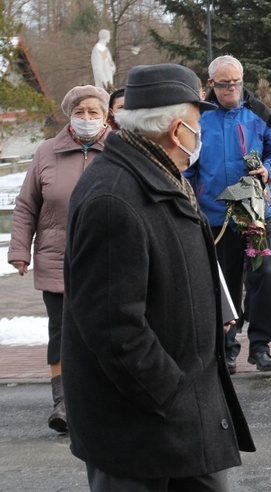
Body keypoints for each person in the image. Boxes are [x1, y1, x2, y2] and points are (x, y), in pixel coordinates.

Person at [62, 63, 254, 490]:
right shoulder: (114, 196)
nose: (200, 132)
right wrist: (171, 395)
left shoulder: (159, 177)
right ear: (176, 128)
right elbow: (114, 328)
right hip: (141, 426)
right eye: (198, 122)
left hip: (182, 416)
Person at [8, 85, 110, 434]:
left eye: (93, 112)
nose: (86, 118)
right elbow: (26, 205)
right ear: (69, 115)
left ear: (106, 115)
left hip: (106, 260)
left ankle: (101, 401)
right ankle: (64, 404)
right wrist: (20, 250)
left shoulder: (120, 150)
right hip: (56, 261)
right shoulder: (46, 152)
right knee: (63, 333)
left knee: (103, 330)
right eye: (79, 112)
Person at [185, 55, 271, 373]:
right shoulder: (198, 117)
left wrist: (268, 170)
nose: (232, 89)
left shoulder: (257, 112)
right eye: (225, 83)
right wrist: (189, 198)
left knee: (264, 277)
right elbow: (186, 163)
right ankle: (227, 348)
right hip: (217, 215)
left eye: (237, 82)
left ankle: (260, 347)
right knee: (224, 284)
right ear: (211, 83)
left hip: (256, 211)